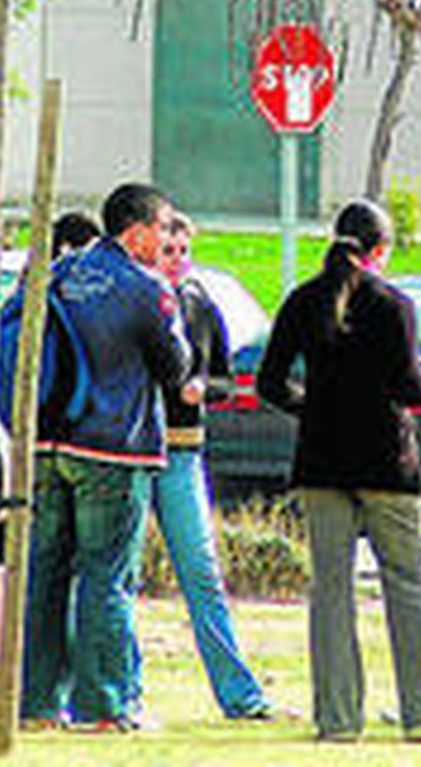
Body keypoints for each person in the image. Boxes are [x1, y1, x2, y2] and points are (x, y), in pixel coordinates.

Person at [256, 198, 421, 743]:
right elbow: (411, 387)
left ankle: (337, 720)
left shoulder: (304, 299)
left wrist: (314, 409)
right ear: (380, 250)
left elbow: (269, 382)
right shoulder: (391, 304)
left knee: (330, 592)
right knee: (407, 585)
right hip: (386, 463)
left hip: (321, 463)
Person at [20, 182, 191, 733]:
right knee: (107, 577)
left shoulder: (59, 274)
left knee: (45, 573)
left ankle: (38, 702)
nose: (167, 240)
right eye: (163, 228)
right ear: (137, 231)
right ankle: (104, 705)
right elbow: (176, 368)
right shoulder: (144, 288)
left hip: (47, 442)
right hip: (113, 447)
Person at [148, 210, 277, 720]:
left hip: (183, 449)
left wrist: (204, 389)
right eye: (168, 251)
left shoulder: (199, 306)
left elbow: (225, 378)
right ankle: (102, 693)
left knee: (201, 573)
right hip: (134, 452)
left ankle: (240, 695)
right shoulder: (137, 303)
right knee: (109, 577)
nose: (177, 261)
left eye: (183, 251)